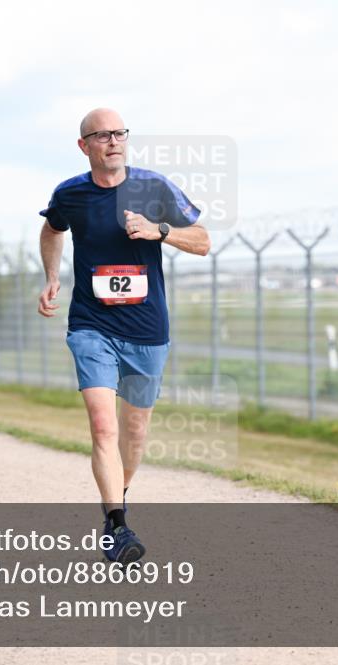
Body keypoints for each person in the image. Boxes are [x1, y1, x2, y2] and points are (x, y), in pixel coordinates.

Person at [37, 109, 210, 564]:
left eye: (119, 133)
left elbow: (203, 240)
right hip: (91, 325)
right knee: (103, 425)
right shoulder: (70, 194)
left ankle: (118, 498)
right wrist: (52, 276)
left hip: (147, 329)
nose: (113, 141)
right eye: (102, 135)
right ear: (84, 146)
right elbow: (52, 229)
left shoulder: (154, 187)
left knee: (134, 430)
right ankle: (117, 526)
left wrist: (160, 231)